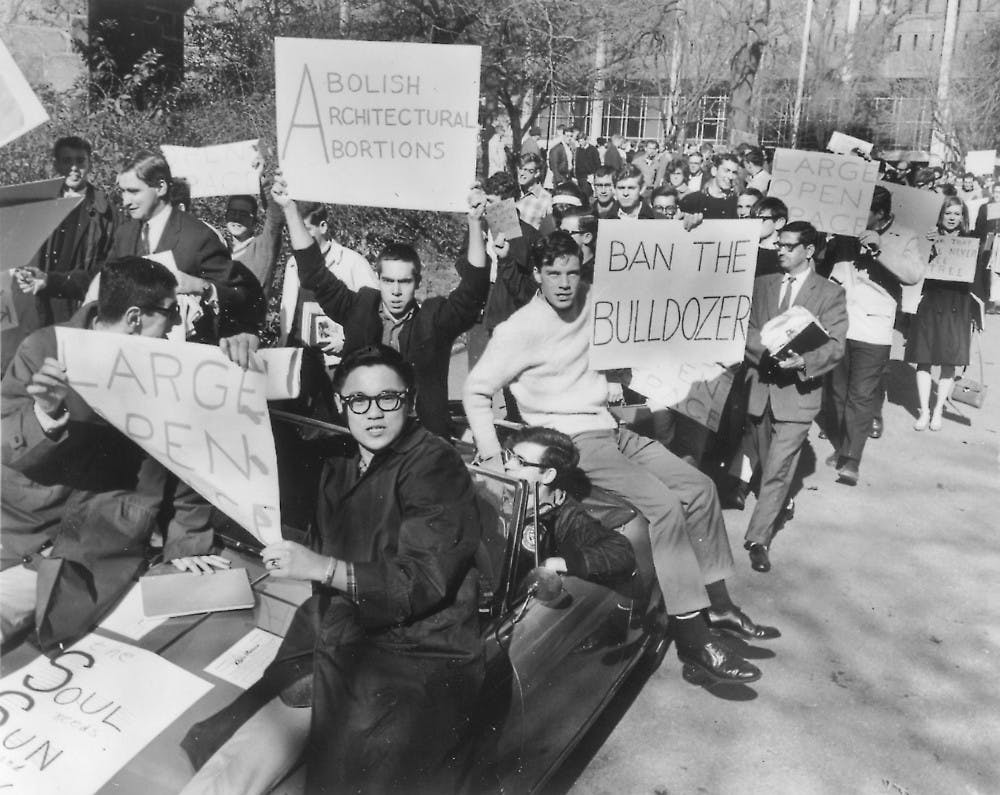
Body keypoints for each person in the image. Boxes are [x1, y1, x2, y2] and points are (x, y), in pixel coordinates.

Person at [463, 231, 778, 687]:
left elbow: (656, 288)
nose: (565, 283)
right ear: (536, 275)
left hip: (611, 426)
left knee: (700, 487)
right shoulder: (519, 329)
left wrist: (694, 250)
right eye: (553, 274)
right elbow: (475, 389)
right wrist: (495, 459)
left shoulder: (594, 298)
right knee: (664, 506)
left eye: (573, 271)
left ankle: (720, 605)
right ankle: (694, 639)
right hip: (573, 439)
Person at [180, 345, 483, 795]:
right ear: (342, 406)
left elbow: (422, 580)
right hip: (334, 634)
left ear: (411, 401)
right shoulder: (340, 455)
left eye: (388, 399)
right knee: (233, 757)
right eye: (358, 400)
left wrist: (321, 567)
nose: (373, 413)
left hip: (416, 653)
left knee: (350, 776)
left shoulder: (435, 463)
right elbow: (260, 452)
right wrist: (242, 370)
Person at [1, 257, 226, 649]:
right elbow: (6, 442)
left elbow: (185, 451)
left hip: (96, 542)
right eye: (171, 313)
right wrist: (44, 415)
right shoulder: (45, 348)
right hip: (21, 530)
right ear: (136, 317)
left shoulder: (168, 366)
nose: (176, 325)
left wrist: (187, 541)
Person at [271, 174, 489, 438]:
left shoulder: (434, 320)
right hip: (362, 438)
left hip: (419, 440)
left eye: (404, 281)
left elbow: (472, 291)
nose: (396, 291)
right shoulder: (359, 309)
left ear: (417, 282)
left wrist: (475, 222)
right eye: (388, 281)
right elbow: (314, 273)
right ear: (378, 279)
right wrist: (289, 209)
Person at [741, 222, 847, 573]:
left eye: (787, 246)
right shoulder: (762, 285)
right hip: (760, 390)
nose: (779, 251)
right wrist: (770, 350)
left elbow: (836, 346)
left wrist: (804, 360)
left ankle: (758, 538)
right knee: (768, 464)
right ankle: (779, 505)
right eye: (778, 245)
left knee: (777, 469)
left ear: (809, 251)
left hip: (798, 396)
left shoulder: (829, 294)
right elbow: (748, 328)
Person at [105, 150, 265, 343]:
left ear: (160, 187)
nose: (125, 201)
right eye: (122, 191)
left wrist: (203, 287)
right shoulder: (124, 234)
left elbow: (245, 297)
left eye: (133, 191)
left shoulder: (198, 236)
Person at [821, 186, 924, 484]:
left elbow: (912, 274)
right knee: (838, 391)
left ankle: (852, 458)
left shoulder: (904, 236)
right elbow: (824, 262)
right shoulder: (845, 231)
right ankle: (843, 444)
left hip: (873, 328)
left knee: (862, 394)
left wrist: (880, 248)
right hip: (840, 322)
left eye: (863, 212)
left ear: (881, 215)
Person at [8, 136, 118, 367]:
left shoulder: (104, 210)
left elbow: (106, 262)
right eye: (67, 161)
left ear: (90, 163)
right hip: (36, 296)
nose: (74, 168)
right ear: (56, 164)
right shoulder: (38, 202)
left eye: (80, 161)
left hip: (74, 299)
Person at [504, 426, 636, 583]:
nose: (508, 465)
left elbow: (620, 551)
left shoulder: (566, 517)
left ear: (547, 475)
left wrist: (559, 563)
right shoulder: (491, 490)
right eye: (509, 456)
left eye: (520, 461)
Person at [905, 196, 989, 431]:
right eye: (948, 213)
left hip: (958, 305)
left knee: (949, 362)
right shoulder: (927, 236)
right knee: (923, 359)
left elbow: (978, 279)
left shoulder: (971, 241)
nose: (952, 218)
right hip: (931, 303)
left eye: (957, 214)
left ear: (963, 217)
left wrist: (978, 314)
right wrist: (926, 244)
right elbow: (914, 268)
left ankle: (938, 409)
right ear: (940, 215)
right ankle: (924, 410)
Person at [276, 201, 377, 362]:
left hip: (336, 362)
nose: (298, 236)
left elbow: (372, 313)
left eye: (305, 229)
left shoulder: (353, 262)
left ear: (323, 227)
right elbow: (288, 311)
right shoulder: (292, 264)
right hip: (299, 359)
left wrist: (346, 339)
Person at [514, 151, 554, 230]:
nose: (522, 173)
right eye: (520, 168)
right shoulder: (512, 193)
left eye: (527, 170)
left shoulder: (546, 200)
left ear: (537, 173)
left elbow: (549, 233)